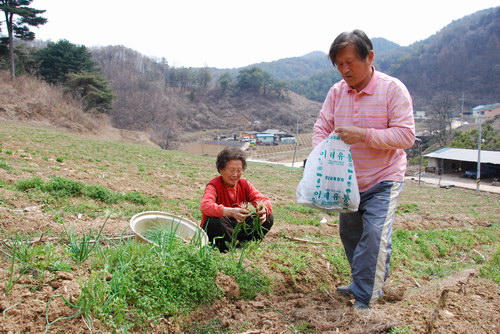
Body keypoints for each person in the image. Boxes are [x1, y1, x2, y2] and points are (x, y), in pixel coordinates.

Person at [313, 30, 415, 309]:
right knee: (351, 235)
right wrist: (319, 154)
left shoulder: (392, 89)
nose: (345, 70)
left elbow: (406, 136)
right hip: (349, 181)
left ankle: (366, 298)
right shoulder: (337, 92)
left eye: (350, 63)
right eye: (339, 64)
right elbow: (322, 126)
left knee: (374, 235)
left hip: (384, 177)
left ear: (369, 57)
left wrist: (364, 135)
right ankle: (364, 280)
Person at [200, 147, 274, 252]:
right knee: (214, 219)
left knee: (268, 217)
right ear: (221, 170)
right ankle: (226, 247)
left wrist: (263, 208)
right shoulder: (214, 185)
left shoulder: (244, 184)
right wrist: (230, 212)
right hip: (221, 228)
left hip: (238, 226)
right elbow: (205, 206)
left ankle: (244, 244)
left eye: (239, 171)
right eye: (231, 170)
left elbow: (263, 199)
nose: (235, 175)